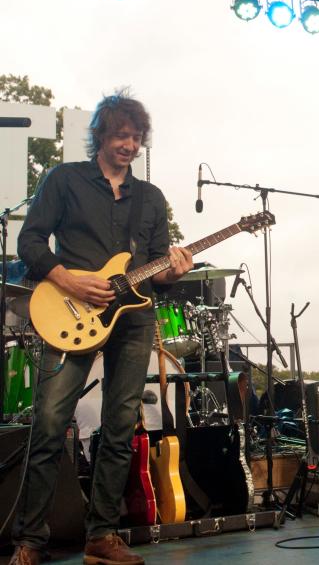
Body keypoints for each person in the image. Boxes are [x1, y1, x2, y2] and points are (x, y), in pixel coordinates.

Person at [11, 92, 193, 565]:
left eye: (136, 138)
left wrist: (172, 272)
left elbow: (157, 267)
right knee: (50, 424)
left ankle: (102, 536)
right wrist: (67, 279)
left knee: (120, 427)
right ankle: (30, 540)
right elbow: (28, 240)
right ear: (101, 135)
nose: (129, 145)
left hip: (133, 319)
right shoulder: (65, 180)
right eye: (120, 135)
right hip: (69, 310)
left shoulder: (150, 198)